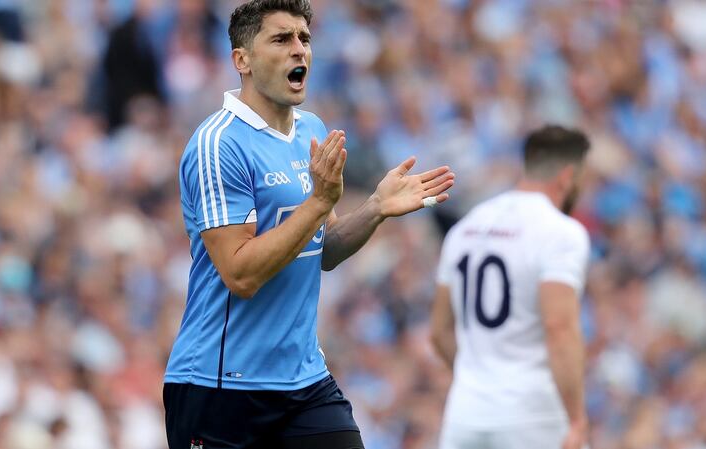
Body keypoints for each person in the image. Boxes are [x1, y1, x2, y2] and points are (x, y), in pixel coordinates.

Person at [163, 1, 455, 448]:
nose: (299, 50)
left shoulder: (310, 129)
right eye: (281, 39)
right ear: (242, 60)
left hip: (303, 380)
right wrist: (319, 201)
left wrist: (374, 207)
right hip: (221, 384)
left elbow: (324, 250)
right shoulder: (217, 145)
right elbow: (240, 274)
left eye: (305, 38)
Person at [430, 126, 591, 449]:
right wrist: (576, 417)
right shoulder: (562, 232)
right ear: (568, 176)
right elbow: (559, 328)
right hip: (532, 416)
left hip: (465, 416)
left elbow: (439, 332)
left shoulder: (467, 226)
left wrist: (478, 378)